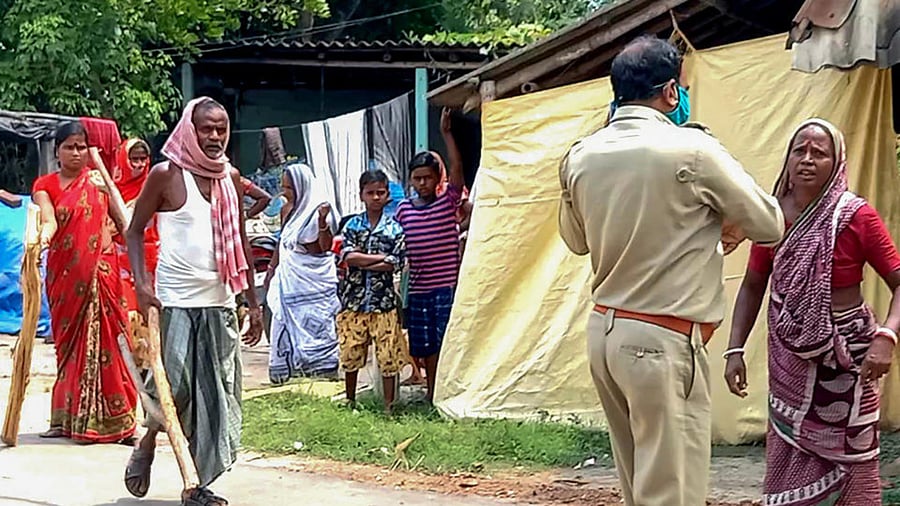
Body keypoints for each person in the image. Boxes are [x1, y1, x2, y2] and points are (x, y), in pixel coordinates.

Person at [557, 36, 785, 506]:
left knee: (639, 484)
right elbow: (769, 223)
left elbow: (576, 241)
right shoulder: (693, 151)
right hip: (661, 339)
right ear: (670, 93)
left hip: (605, 331)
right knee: (672, 491)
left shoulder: (580, 155)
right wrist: (723, 222)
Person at [726, 119, 900, 506]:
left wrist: (887, 336)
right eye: (798, 151)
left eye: (819, 153)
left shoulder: (856, 216)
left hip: (850, 359)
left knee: (852, 458)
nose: (806, 160)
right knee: (791, 448)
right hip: (789, 359)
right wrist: (734, 348)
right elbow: (753, 284)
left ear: (836, 163)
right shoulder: (770, 218)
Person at [124, 97, 263, 506]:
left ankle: (196, 484)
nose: (216, 136)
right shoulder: (166, 175)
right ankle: (148, 440)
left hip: (220, 301)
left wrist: (253, 304)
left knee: (217, 395)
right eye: (207, 129)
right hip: (176, 301)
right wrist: (142, 285)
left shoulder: (230, 179)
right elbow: (134, 232)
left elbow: (240, 239)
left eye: (221, 129)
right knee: (175, 388)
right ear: (190, 129)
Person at [32, 121, 138, 444]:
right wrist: (41, 242)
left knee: (114, 344)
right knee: (68, 349)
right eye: (69, 147)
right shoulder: (45, 184)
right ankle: (65, 418)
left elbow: (125, 222)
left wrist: (107, 187)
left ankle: (122, 423)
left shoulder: (98, 181)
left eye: (81, 147)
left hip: (101, 274)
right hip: (66, 277)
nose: (76, 153)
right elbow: (48, 219)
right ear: (57, 151)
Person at [394, 108, 464, 403]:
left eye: (427, 177)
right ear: (410, 180)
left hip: (445, 287)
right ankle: (431, 391)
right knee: (424, 346)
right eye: (417, 178)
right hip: (418, 289)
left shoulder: (448, 202)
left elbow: (458, 169)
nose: (422, 183)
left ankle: (442, 393)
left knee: (445, 341)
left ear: (437, 178)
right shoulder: (403, 210)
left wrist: (447, 134)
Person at [338, 169, 408, 413]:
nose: (376, 197)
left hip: (384, 302)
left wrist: (363, 259)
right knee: (350, 351)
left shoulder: (394, 229)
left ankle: (389, 406)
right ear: (361, 195)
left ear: (387, 195)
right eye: (371, 193)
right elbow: (348, 257)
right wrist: (379, 258)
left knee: (388, 354)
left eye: (380, 193)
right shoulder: (352, 225)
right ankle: (350, 400)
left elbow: (395, 263)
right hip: (354, 301)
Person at [264, 162, 340, 383]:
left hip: (313, 282)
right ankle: (286, 371)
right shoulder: (286, 210)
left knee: (316, 325)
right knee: (281, 320)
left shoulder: (321, 210)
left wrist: (321, 222)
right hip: (288, 280)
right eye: (283, 187)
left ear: (301, 187)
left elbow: (324, 248)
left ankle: (321, 369)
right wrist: (271, 268)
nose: (284, 192)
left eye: (288, 188)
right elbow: (282, 242)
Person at [112, 138, 157, 317]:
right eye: (134, 160)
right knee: (127, 313)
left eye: (143, 159)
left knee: (151, 312)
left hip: (150, 257)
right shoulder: (111, 190)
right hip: (121, 257)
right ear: (123, 160)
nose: (139, 165)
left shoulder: (154, 186)